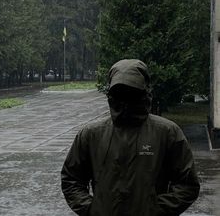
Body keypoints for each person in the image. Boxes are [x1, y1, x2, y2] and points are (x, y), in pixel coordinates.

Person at [61, 59, 200, 216]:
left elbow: (188, 184)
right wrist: (92, 209)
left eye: (132, 91)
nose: (125, 98)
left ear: (144, 91)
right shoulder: (91, 134)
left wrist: (157, 209)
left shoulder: (167, 133)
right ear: (111, 94)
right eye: (120, 92)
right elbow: (71, 179)